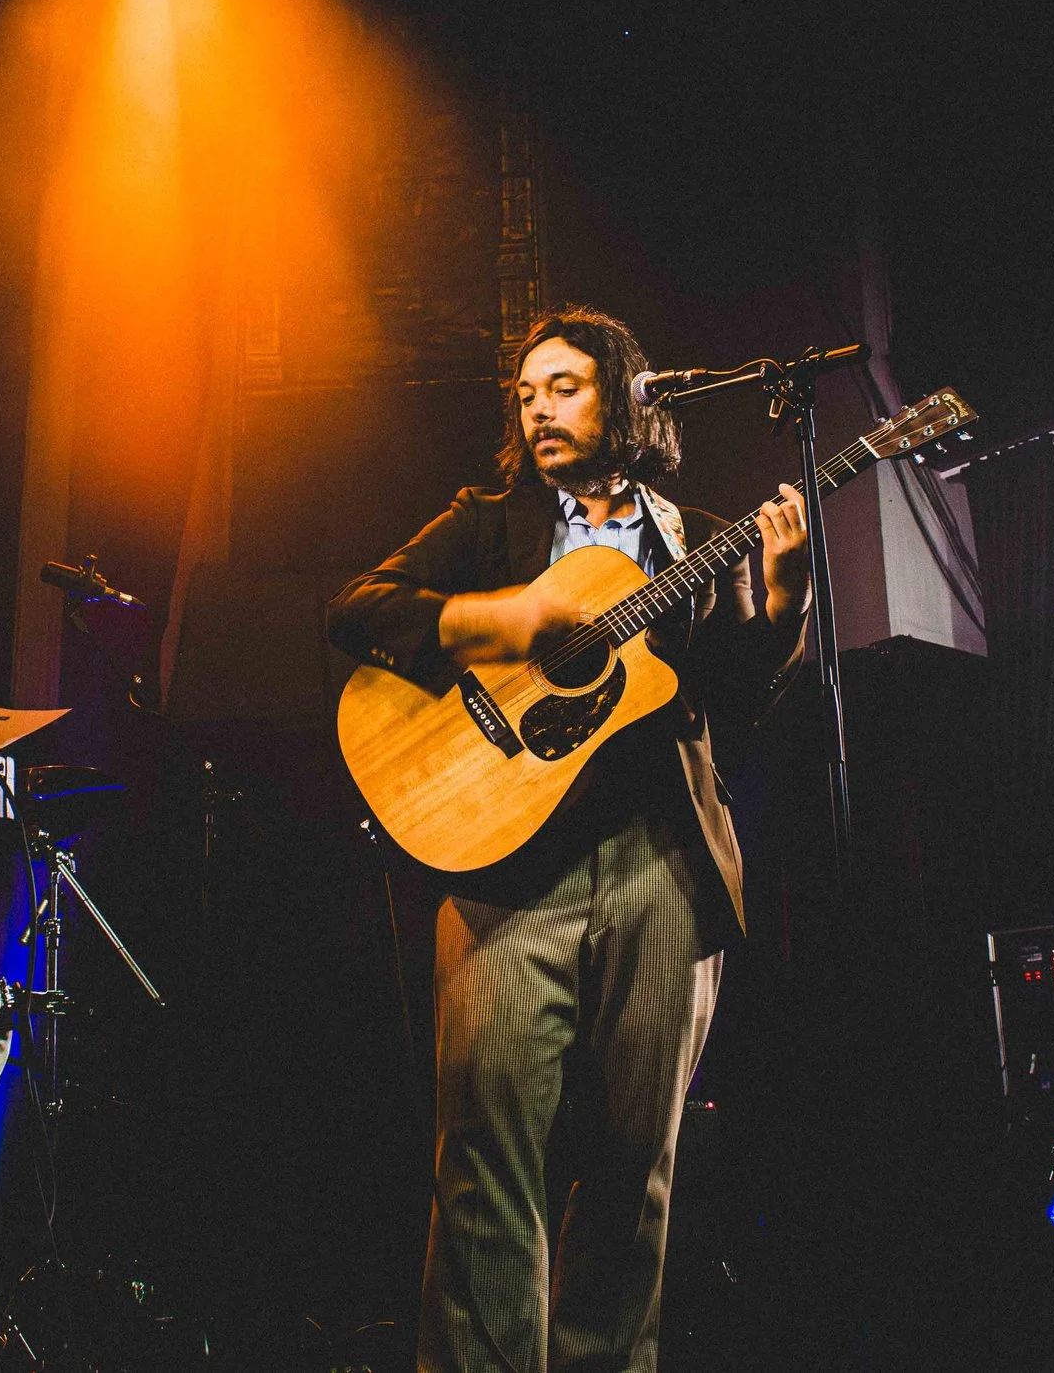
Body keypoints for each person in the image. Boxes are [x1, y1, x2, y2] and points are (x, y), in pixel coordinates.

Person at [327, 306, 808, 1373]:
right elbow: (357, 608)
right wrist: (505, 617)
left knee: (638, 1163)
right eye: (528, 390)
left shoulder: (691, 536)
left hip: (661, 867)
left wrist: (782, 607)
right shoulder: (490, 521)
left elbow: (730, 698)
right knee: (485, 1163)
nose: (539, 406)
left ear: (626, 396)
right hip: (505, 870)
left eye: (566, 386)